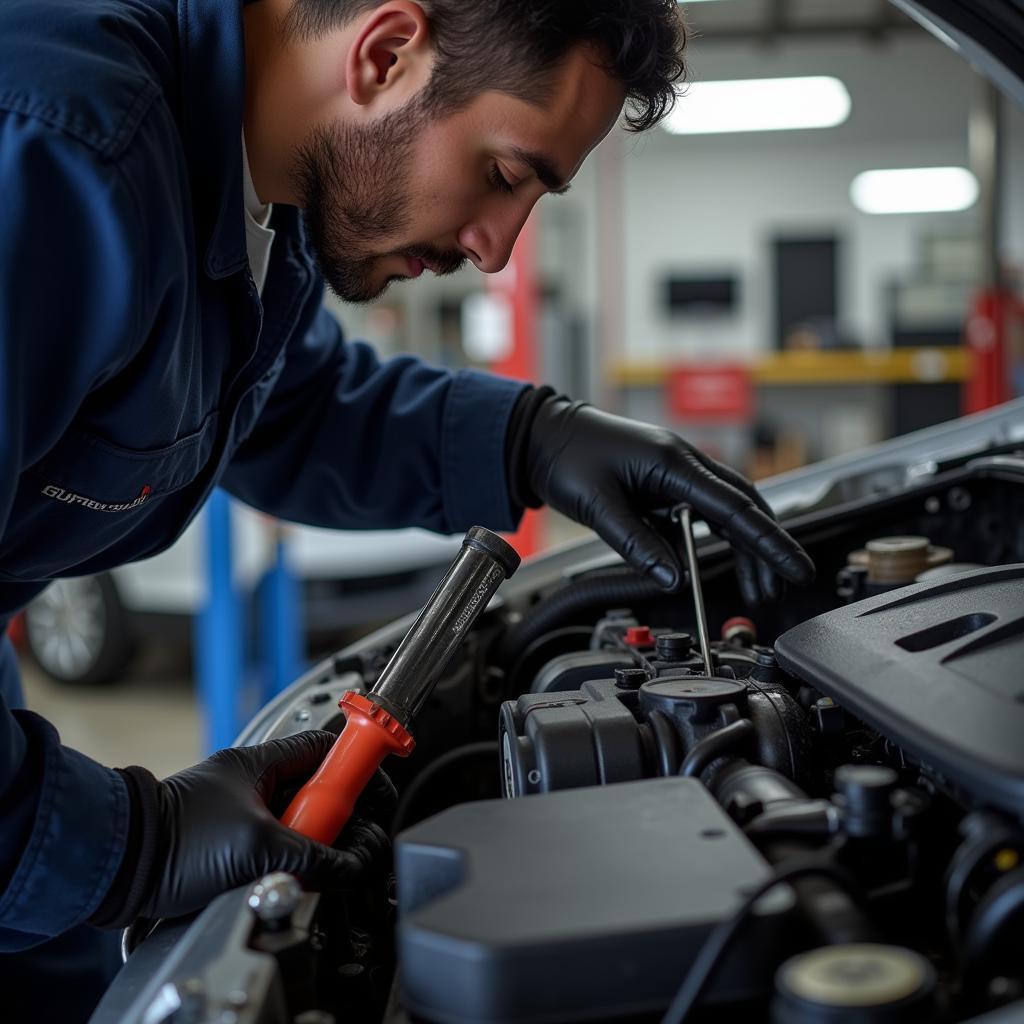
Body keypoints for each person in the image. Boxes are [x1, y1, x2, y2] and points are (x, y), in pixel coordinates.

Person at [0, 0, 815, 1017]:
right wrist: (129, 839)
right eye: (505, 173)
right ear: (386, 52)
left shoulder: (260, 185)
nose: (498, 249)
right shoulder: (55, 148)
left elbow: (284, 411)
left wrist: (530, 438)